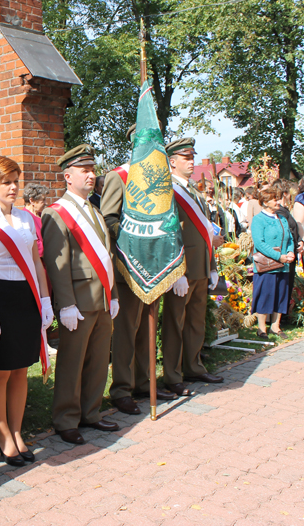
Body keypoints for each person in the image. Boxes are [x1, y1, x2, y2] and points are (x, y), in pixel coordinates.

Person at [0, 156, 53, 465]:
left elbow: (36, 262)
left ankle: (18, 432)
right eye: (6, 182)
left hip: (26, 297)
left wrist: (45, 301)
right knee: (1, 371)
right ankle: (3, 433)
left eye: (16, 181)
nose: (13, 187)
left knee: (21, 369)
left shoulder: (26, 219)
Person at [42, 144, 120, 445]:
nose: (91, 175)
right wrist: (66, 305)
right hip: (78, 300)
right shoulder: (56, 214)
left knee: (99, 360)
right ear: (67, 176)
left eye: (92, 169)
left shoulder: (96, 211)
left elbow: (106, 256)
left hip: (101, 299)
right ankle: (66, 418)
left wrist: (112, 295)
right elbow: (57, 264)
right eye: (84, 170)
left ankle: (91, 412)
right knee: (72, 362)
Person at [101, 156, 179, 416]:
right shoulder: (118, 177)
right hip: (129, 266)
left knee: (147, 326)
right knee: (126, 331)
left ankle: (144, 383)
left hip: (153, 264)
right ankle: (122, 389)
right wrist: (132, 240)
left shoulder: (159, 180)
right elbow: (108, 216)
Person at [162, 138, 224, 397]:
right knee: (175, 323)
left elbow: (205, 233)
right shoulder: (167, 191)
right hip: (182, 270)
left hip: (200, 267)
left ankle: (194, 366)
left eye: (193, 157)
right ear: (172, 162)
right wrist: (176, 272)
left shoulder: (196, 194)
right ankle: (173, 375)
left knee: (196, 321)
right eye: (186, 158)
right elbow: (168, 233)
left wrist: (211, 267)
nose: (191, 162)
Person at [250, 188, 295, 337]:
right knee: (265, 294)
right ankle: (261, 328)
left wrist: (290, 251)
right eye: (275, 199)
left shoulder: (282, 218)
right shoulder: (258, 219)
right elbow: (260, 243)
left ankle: (276, 326)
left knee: (281, 294)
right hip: (266, 265)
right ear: (265, 202)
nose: (279, 202)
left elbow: (289, 238)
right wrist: (278, 256)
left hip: (283, 264)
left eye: (278, 198)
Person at [274, 181, 303, 313]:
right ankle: (281, 315)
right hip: (285, 254)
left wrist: (300, 241)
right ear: (285, 194)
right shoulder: (280, 211)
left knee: (287, 284)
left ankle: (284, 313)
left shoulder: (284, 210)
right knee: (284, 285)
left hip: (290, 252)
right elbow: (287, 232)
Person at [22, 182, 50, 257]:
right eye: (43, 200)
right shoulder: (24, 218)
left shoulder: (41, 215)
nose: (46, 203)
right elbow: (37, 248)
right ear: (32, 201)